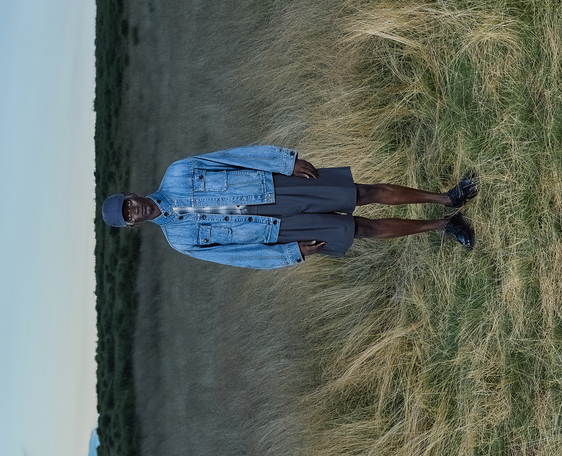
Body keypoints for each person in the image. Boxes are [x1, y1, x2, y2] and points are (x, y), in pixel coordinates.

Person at [101, 145, 477, 269]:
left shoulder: (179, 172)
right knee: (361, 229)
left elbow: (234, 158)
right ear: (133, 225)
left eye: (127, 204)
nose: (133, 211)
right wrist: (288, 253)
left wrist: (284, 162)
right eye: (128, 217)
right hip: (277, 232)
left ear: (131, 194)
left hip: (278, 188)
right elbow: (239, 256)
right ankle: (444, 225)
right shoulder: (180, 241)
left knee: (363, 192)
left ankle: (446, 198)